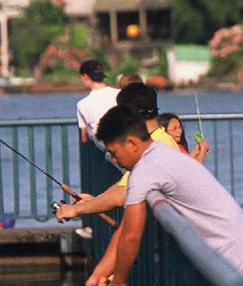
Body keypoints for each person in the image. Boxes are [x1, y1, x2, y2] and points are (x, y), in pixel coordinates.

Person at [85, 104, 243, 286]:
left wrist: (118, 284)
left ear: (131, 143)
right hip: (240, 252)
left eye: (114, 152)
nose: (114, 160)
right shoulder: (161, 151)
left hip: (232, 261)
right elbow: (126, 229)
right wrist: (100, 274)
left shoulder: (146, 170)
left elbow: (131, 235)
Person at [56, 82, 179, 221]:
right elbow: (125, 184)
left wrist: (76, 209)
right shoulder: (157, 138)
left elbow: (121, 196)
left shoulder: (153, 147)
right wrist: (94, 201)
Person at [75, 59, 116, 146]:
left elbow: (84, 138)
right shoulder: (120, 93)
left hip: (105, 148)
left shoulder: (82, 104)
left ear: (85, 77)